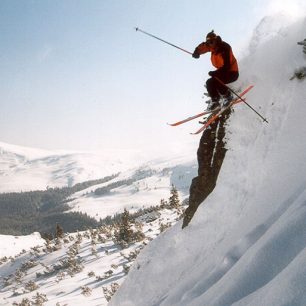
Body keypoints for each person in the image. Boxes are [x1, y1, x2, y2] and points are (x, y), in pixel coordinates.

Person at [192, 30, 239, 110]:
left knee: (217, 80)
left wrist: (215, 73)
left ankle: (228, 96)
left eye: (212, 42)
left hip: (232, 72)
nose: (211, 45)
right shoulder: (211, 46)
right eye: (209, 43)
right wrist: (197, 52)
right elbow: (203, 47)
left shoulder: (224, 48)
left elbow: (226, 66)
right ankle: (215, 100)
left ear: (216, 40)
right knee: (209, 82)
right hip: (222, 72)